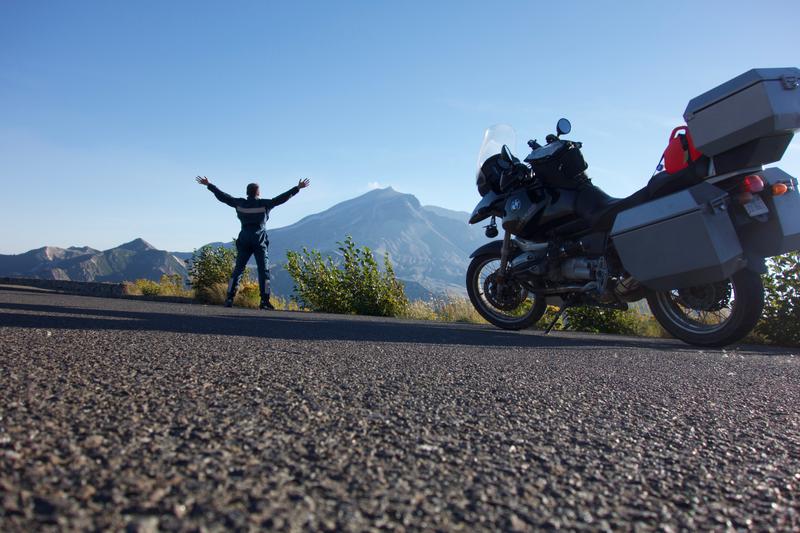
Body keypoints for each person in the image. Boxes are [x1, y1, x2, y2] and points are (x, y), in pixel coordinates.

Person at [195, 175, 310, 309]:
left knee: (238, 270)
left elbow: (223, 197)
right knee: (264, 271)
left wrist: (209, 185)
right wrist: (297, 188)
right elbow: (281, 199)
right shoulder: (265, 204)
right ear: (258, 193)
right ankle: (265, 301)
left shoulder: (240, 203)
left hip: (244, 239)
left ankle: (229, 299)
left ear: (247, 193)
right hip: (259, 241)